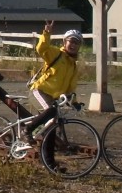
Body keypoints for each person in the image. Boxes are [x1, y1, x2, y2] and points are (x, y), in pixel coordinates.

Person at [23, 21, 81, 170]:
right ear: (65, 42)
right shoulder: (57, 54)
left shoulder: (73, 66)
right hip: (39, 91)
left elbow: (70, 89)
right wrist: (46, 33)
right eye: (71, 41)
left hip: (52, 97)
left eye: (77, 43)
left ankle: (49, 164)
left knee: (51, 126)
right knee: (52, 112)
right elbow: (41, 48)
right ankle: (28, 129)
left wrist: (74, 102)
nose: (73, 45)